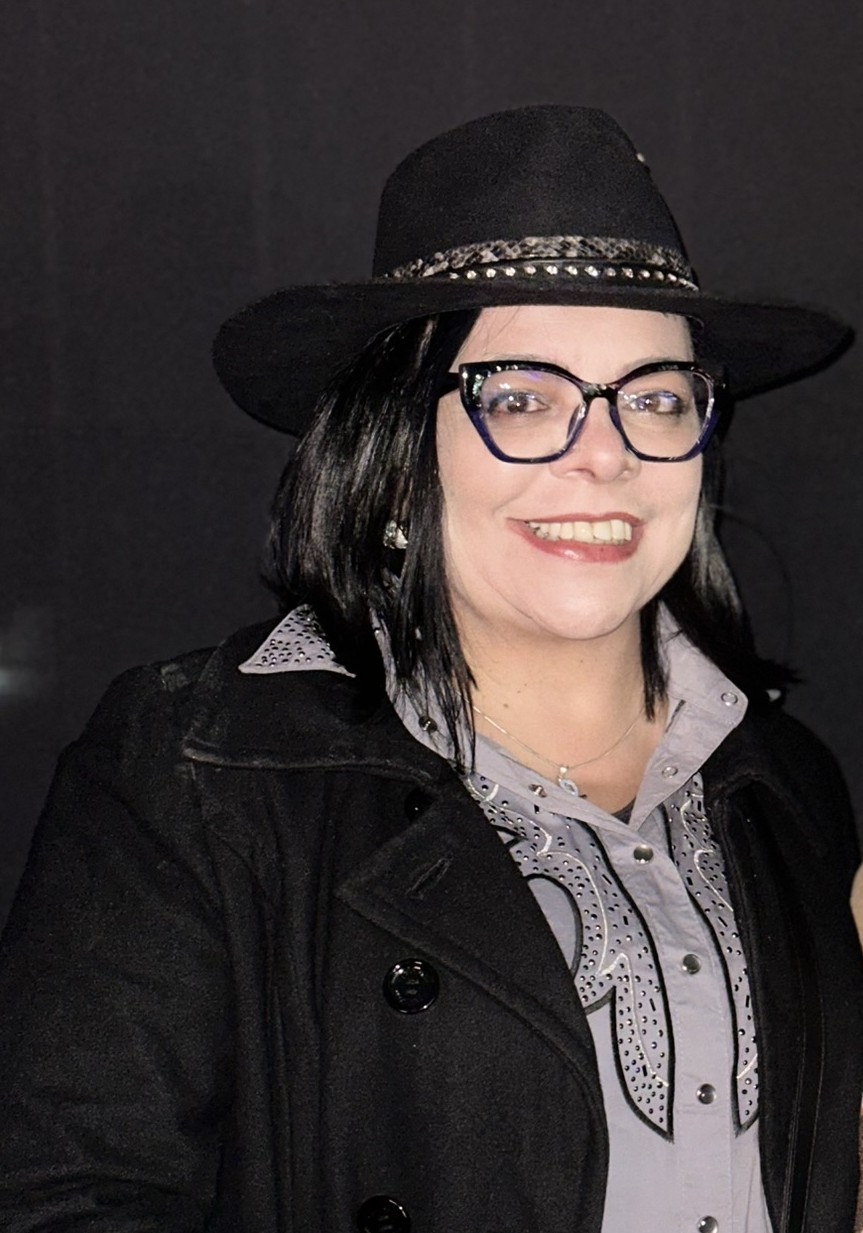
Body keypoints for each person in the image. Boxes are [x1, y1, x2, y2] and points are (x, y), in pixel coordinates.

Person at [0, 105, 860, 1233]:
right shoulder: (199, 773)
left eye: (655, 396)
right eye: (521, 397)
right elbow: (63, 1201)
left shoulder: (789, 785)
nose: (603, 454)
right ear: (396, 451)